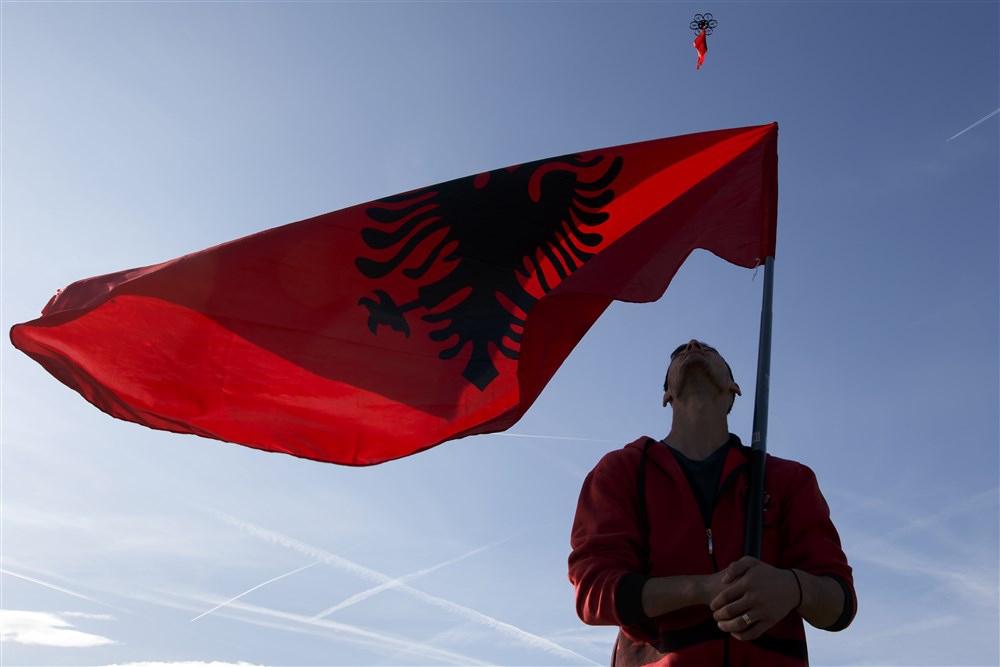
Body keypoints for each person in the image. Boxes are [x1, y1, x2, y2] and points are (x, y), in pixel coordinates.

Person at [568, 340, 856, 666]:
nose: (692, 345)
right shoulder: (621, 471)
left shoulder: (789, 479)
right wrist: (702, 589)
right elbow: (593, 592)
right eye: (679, 354)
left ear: (734, 388)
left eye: (708, 349)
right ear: (667, 396)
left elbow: (840, 603)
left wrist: (794, 588)